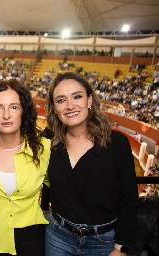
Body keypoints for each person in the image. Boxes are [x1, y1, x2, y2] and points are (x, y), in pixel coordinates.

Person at [44, 72, 138, 255]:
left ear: (89, 100)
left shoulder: (117, 143)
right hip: (58, 237)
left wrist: (121, 248)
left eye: (77, 97)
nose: (70, 106)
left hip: (102, 242)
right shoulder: (49, 139)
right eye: (61, 100)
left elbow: (129, 199)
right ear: (54, 108)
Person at [0, 80, 51, 255]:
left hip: (31, 240)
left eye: (14, 107)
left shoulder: (44, 148)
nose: (6, 115)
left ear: (24, 111)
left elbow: (64, 186)